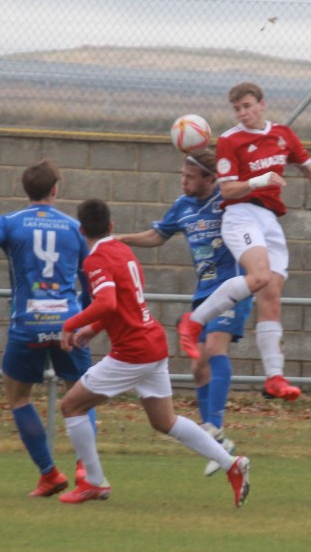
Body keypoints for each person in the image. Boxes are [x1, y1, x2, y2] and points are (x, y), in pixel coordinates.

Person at [177, 81, 311, 401]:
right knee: (258, 277)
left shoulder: (282, 135)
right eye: (237, 109)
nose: (243, 113)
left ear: (262, 104)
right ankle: (195, 322)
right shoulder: (230, 141)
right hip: (241, 215)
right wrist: (260, 179)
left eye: (247, 106)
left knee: (271, 296)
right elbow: (229, 190)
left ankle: (274, 376)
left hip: (270, 221)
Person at [56, 198, 250, 507]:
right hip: (152, 343)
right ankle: (232, 464)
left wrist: (72, 324)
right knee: (165, 421)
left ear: (81, 231)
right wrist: (92, 330)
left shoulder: (94, 260)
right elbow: (123, 303)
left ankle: (94, 482)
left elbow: (106, 303)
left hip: (132, 351)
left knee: (71, 406)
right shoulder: (123, 251)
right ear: (111, 227)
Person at [0, 159, 96, 498]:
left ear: (26, 190)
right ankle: (87, 470)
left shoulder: (8, 223)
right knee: (82, 397)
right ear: (56, 189)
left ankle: (49, 473)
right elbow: (90, 281)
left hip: (28, 324)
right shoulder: (73, 228)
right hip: (69, 323)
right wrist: (85, 323)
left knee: (18, 396)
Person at [117, 148, 253, 476]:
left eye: (190, 177)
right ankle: (219, 439)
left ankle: (213, 428)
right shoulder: (182, 207)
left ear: (210, 179)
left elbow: (253, 200)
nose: (184, 181)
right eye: (183, 175)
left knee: (215, 347)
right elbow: (156, 235)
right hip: (204, 293)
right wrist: (121, 238)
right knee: (197, 367)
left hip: (233, 286)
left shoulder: (227, 199)